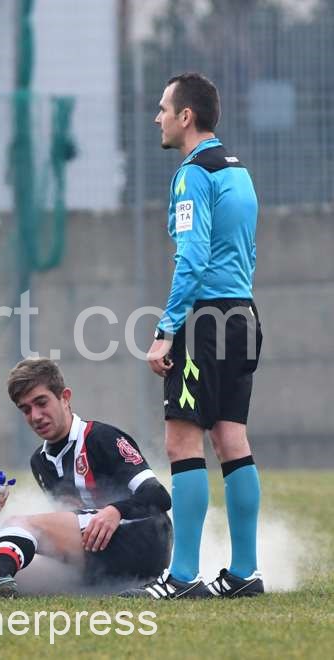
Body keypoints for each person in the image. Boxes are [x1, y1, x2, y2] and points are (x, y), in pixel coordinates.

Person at [125, 72, 264, 599]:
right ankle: (244, 573)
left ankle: (182, 577)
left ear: (186, 116)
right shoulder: (238, 171)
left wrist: (166, 330)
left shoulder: (193, 174)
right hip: (242, 314)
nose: (157, 117)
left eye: (164, 109)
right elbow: (246, 252)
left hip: (204, 321)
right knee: (231, 438)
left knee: (181, 440)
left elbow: (192, 257)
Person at [0, 358, 172, 599]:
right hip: (98, 562)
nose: (35, 416)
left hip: (142, 543)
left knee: (20, 525)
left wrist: (114, 510)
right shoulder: (40, 462)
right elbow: (68, 522)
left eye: (41, 403)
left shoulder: (102, 437)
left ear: (65, 397)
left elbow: (158, 496)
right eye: (26, 409)